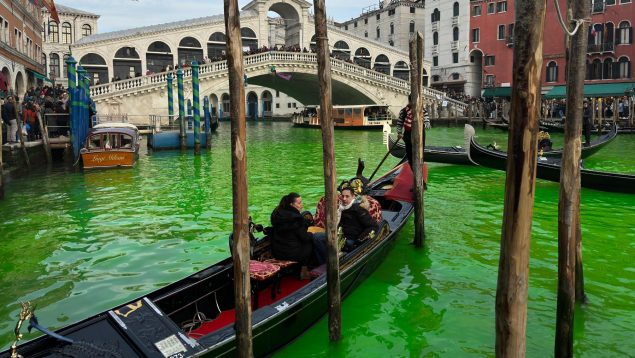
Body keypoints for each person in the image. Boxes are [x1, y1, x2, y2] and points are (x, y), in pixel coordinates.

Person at [270, 193, 318, 266]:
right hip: (292, 254)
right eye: (299, 203)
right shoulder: (296, 219)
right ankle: (306, 267)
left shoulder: (277, 215)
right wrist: (312, 234)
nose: (301, 205)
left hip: (277, 252)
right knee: (311, 243)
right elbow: (305, 237)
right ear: (291, 204)